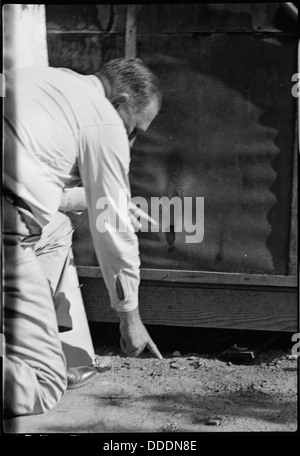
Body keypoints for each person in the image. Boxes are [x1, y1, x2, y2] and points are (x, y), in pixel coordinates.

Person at [3, 58, 162, 417]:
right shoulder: (104, 120)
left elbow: (34, 189)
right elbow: (115, 235)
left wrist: (94, 202)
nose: (131, 142)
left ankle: (32, 342)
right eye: (134, 129)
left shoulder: (45, 81)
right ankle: (39, 363)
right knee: (42, 385)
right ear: (119, 101)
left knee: (56, 228)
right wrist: (130, 320)